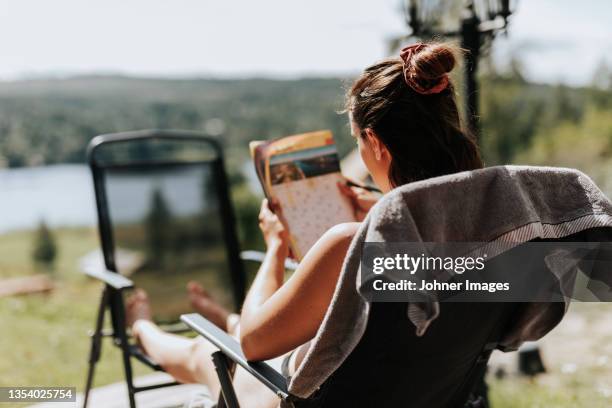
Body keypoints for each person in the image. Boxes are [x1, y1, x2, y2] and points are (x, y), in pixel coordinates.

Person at [125, 41, 483, 407]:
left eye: (357, 139)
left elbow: (252, 343)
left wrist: (276, 247)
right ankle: (226, 319)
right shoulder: (488, 236)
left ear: (374, 143)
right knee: (266, 331)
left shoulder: (351, 246)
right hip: (425, 396)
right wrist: (382, 214)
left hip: (309, 396)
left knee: (205, 350)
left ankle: (143, 329)